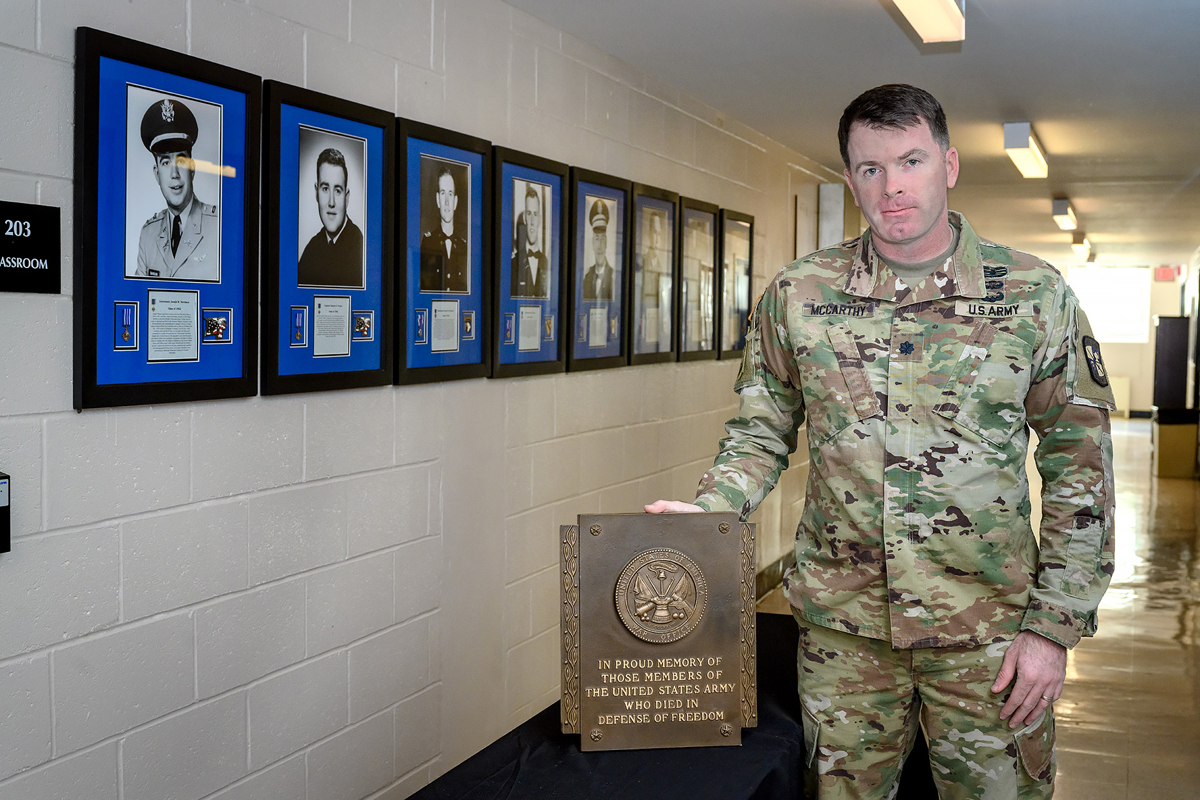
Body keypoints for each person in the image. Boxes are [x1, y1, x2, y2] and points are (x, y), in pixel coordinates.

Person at [647, 84, 1115, 799]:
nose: (892, 187)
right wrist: (713, 516)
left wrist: (1052, 629)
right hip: (846, 635)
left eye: (911, 161)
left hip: (988, 635)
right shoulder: (801, 294)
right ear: (850, 180)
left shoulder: (1032, 294)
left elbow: (1080, 465)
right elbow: (760, 427)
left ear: (949, 165)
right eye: (870, 168)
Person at [135, 97, 219, 281]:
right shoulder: (148, 234)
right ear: (157, 174)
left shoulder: (219, 227)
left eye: (181, 161)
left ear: (193, 168)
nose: (174, 174)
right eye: (165, 162)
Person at [297, 148, 364, 287]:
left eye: (338, 191)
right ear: (316, 193)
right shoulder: (311, 249)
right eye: (325, 189)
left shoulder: (360, 249)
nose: (331, 202)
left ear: (347, 197)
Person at [420, 165, 468, 293]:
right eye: (443, 193)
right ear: (437, 200)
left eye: (450, 194)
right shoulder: (428, 242)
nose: (446, 201)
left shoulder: (464, 247)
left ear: (455, 201)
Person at [511, 183, 549, 298]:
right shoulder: (514, 264)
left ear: (540, 220)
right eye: (529, 214)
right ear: (525, 219)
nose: (532, 221)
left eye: (535, 214)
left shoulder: (547, 263)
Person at [581, 199, 614, 301]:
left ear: (607, 242)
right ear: (592, 243)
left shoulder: (613, 276)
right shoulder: (587, 278)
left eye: (602, 239)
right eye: (596, 239)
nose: (599, 246)